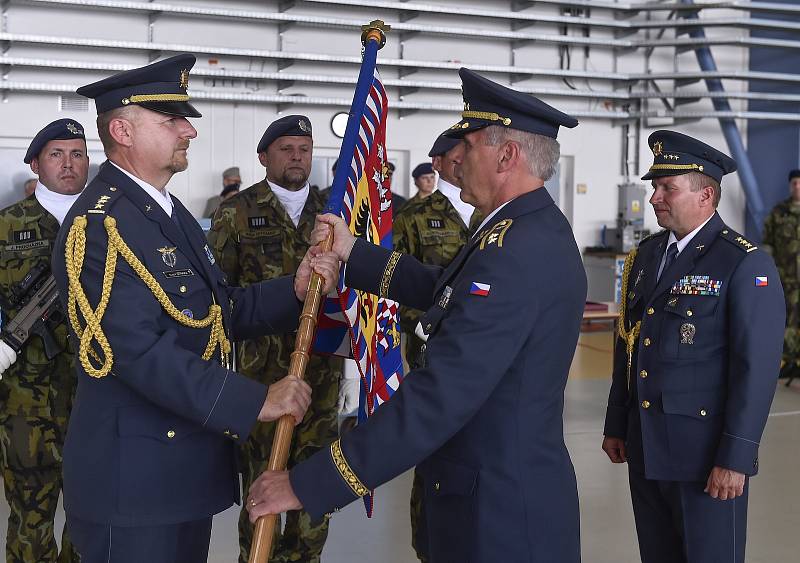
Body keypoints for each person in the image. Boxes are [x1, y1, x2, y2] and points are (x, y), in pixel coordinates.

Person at [246, 67, 585, 563]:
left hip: (499, 516)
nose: (454, 160)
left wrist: (308, 483)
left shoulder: (517, 249)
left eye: (467, 148)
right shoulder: (514, 232)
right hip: (481, 492)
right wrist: (353, 253)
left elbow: (441, 395)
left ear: (507, 155)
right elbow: (442, 290)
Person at [49, 54, 338, 563]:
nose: (189, 131)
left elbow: (213, 311)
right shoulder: (100, 225)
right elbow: (138, 352)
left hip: (179, 473)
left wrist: (292, 291)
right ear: (122, 129)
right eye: (171, 120)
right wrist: (254, 402)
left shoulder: (163, 209)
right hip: (134, 483)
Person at [601, 130, 785, 563]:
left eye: (667, 188)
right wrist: (616, 422)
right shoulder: (645, 257)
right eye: (654, 187)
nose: (654, 198)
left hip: (705, 458)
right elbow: (627, 343)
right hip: (646, 447)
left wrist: (736, 458)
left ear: (706, 194)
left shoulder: (741, 262)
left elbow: (755, 369)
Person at [208, 114, 343, 563]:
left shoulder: (335, 214)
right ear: (264, 156)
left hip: (320, 380)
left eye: (304, 148)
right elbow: (218, 300)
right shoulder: (235, 212)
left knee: (314, 500)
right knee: (261, 495)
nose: (297, 156)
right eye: (286, 149)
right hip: (260, 384)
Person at [0, 118, 89, 563]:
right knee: (30, 519)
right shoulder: (6, 227)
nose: (68, 164)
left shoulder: (109, 223)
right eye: (57, 154)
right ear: (36, 163)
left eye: (77, 154)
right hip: (25, 402)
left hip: (96, 398)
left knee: (89, 516)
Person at [392, 131, 480, 562]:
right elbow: (393, 286)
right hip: (432, 354)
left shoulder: (491, 211)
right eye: (459, 156)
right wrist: (425, 325)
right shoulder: (413, 215)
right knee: (433, 452)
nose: (465, 163)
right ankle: (429, 545)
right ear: (440, 161)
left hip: (483, 355)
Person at [762, 168, 800, 381]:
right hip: (786, 279)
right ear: (790, 186)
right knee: (787, 322)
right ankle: (788, 362)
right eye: (794, 183)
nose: (797, 186)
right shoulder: (779, 213)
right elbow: (767, 245)